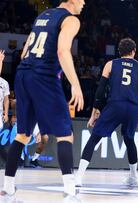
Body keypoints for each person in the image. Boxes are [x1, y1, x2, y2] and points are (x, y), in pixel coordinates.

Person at [0, 0, 85, 201]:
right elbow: (63, 51)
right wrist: (75, 84)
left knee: (23, 135)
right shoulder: (71, 19)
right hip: (44, 74)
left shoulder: (42, 16)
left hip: (23, 73)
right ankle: (71, 192)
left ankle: (8, 189)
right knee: (65, 134)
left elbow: (24, 52)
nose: (84, 3)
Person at [75, 38, 138, 187]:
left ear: (119, 52)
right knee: (129, 140)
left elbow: (100, 90)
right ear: (133, 51)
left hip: (115, 104)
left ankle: (79, 177)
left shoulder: (110, 64)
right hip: (133, 107)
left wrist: (95, 111)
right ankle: (134, 176)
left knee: (94, 138)